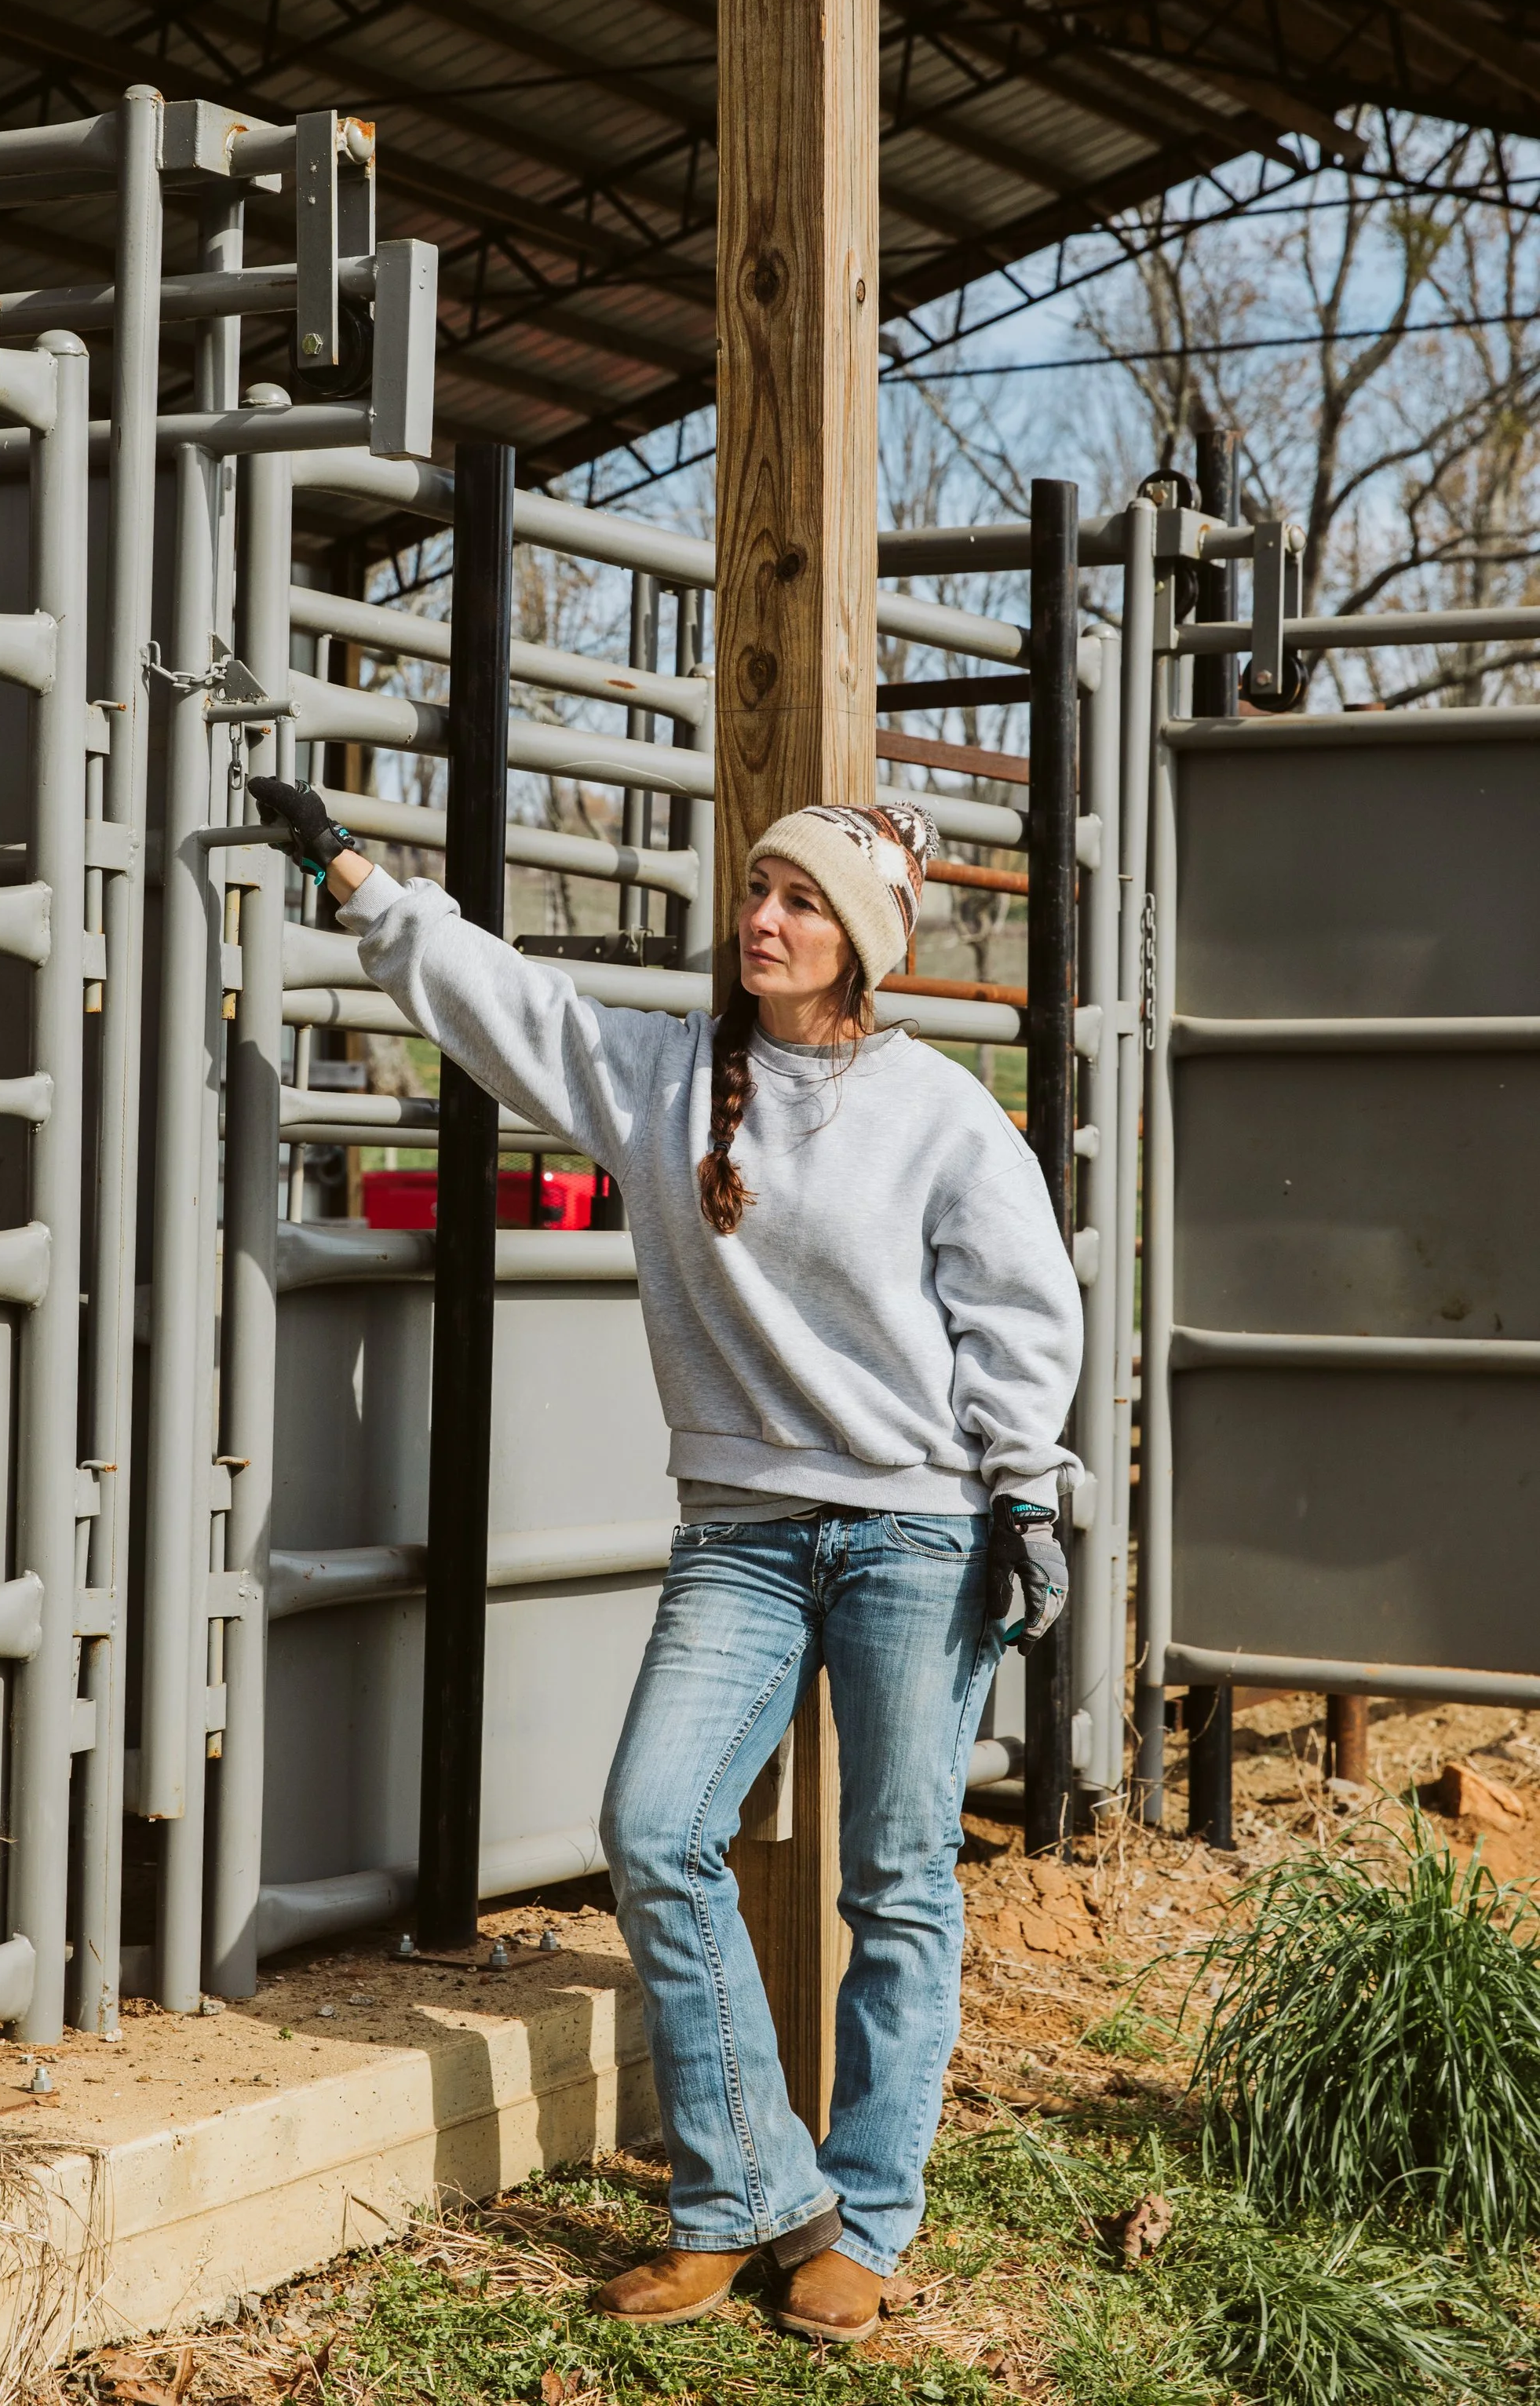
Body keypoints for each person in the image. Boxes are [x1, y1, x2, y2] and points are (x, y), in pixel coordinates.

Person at [250, 772, 1082, 2343]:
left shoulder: (938, 1113)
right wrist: (356, 879)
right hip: (742, 1537)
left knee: (896, 1880)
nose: (764, 920)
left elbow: (1022, 1318)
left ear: (865, 941)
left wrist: (1024, 1499)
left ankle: (871, 2216)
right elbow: (504, 1003)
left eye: (804, 901)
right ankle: (750, 2193)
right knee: (652, 1827)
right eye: (758, 891)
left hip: (916, 1529)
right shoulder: (658, 1077)